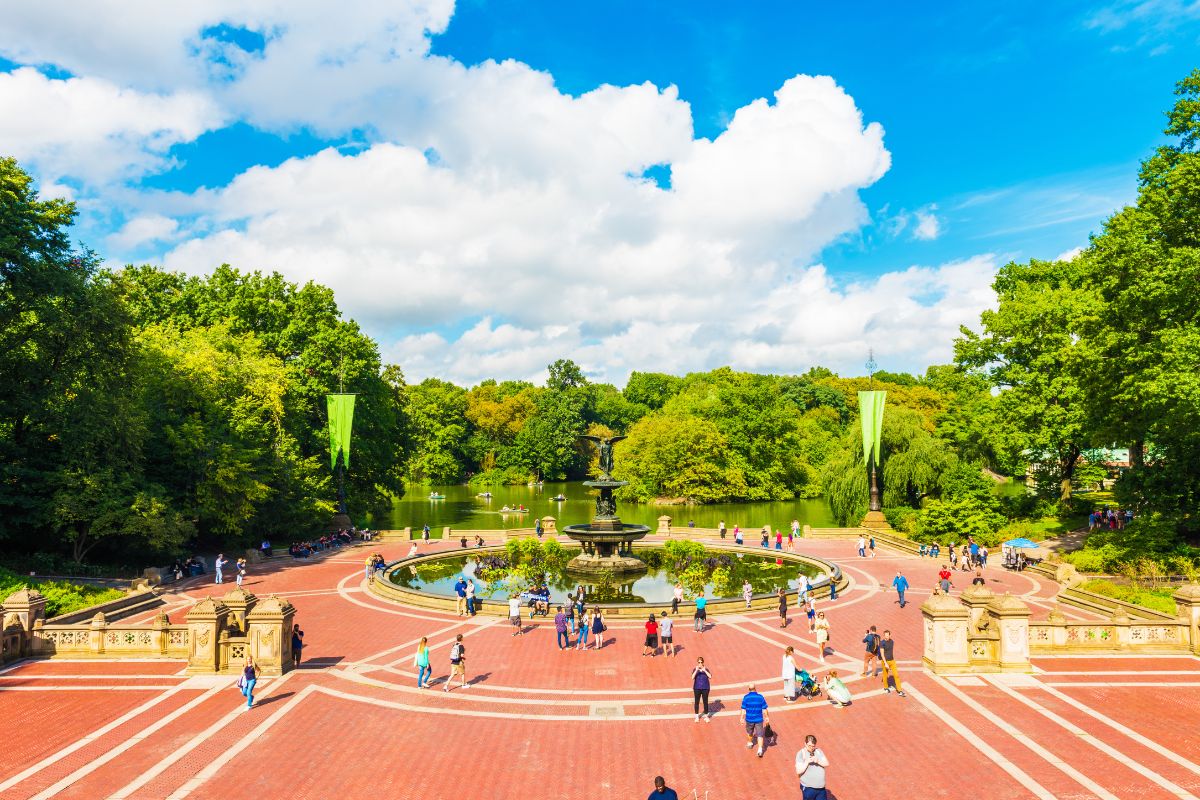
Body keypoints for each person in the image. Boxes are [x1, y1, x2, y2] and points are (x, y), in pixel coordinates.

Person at [796, 734, 831, 800]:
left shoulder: (818, 751)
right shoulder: (801, 754)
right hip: (808, 788)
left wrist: (817, 761)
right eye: (809, 746)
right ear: (805, 744)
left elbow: (826, 763)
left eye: (813, 746)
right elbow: (798, 771)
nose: (811, 748)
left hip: (821, 788)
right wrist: (807, 762)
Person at [739, 683, 770, 758]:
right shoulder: (760, 697)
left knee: (750, 732)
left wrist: (741, 718)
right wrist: (767, 717)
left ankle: (750, 743)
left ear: (749, 689)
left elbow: (743, 709)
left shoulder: (746, 698)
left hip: (749, 719)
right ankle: (760, 750)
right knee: (760, 735)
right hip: (759, 719)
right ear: (755, 688)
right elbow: (764, 709)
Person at [878, 629, 906, 697]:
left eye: (887, 635)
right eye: (885, 635)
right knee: (885, 675)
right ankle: (886, 687)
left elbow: (890, 652)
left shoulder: (892, 642)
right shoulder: (882, 643)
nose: (886, 637)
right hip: (885, 661)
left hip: (892, 661)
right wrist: (885, 663)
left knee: (896, 675)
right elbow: (882, 654)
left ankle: (900, 690)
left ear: (890, 635)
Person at [691, 657, 712, 722]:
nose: (700, 663)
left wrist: (704, 670)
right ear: (697, 663)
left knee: (705, 702)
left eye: (701, 662)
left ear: (703, 662)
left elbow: (710, 676)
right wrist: (696, 670)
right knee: (696, 702)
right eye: (699, 662)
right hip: (697, 688)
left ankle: (706, 716)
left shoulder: (706, 669)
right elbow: (692, 677)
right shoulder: (695, 669)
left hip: (705, 688)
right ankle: (697, 716)